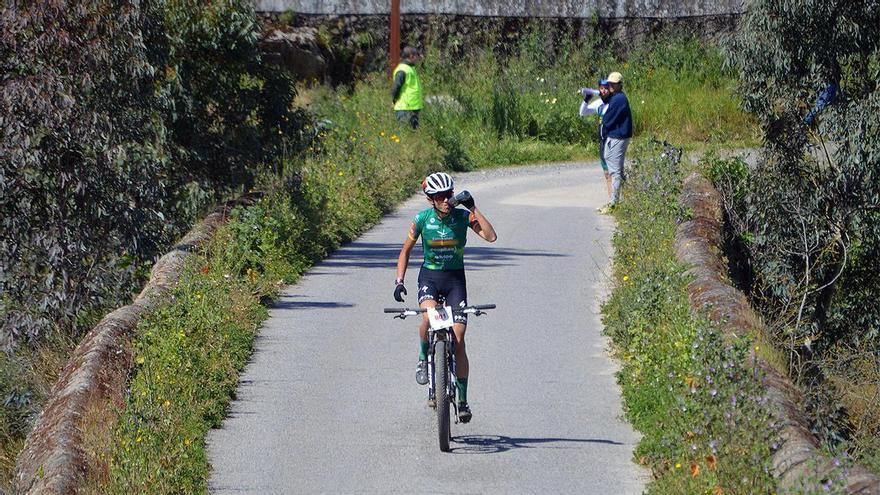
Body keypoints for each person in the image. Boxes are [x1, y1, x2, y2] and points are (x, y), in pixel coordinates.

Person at [393, 172, 497, 423]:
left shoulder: (462, 217)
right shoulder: (421, 219)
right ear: (430, 199)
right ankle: (423, 358)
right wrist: (399, 281)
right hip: (430, 278)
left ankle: (462, 400)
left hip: (454, 281)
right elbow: (405, 251)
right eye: (439, 196)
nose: (445, 200)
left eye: (448, 195)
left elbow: (491, 236)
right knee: (428, 318)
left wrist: (473, 207)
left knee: (459, 340)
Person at [599, 71, 633, 213]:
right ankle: (627, 198)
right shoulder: (615, 97)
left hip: (618, 136)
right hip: (615, 136)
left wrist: (604, 124)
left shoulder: (619, 99)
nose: (611, 86)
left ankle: (614, 203)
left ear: (620, 84)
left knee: (615, 171)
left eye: (614, 84)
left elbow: (608, 119)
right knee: (611, 163)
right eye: (610, 83)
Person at [580, 79, 613, 200]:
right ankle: (611, 201)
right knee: (606, 173)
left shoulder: (613, 103)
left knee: (613, 173)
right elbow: (582, 112)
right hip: (602, 141)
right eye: (601, 88)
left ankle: (616, 200)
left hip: (612, 141)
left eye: (606, 88)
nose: (603, 91)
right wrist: (587, 99)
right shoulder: (599, 103)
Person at [391, 46, 424, 129]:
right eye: (417, 56)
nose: (418, 58)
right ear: (411, 56)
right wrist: (394, 99)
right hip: (405, 108)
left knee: (413, 132)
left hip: (413, 107)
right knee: (405, 130)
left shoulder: (411, 68)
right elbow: (396, 87)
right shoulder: (402, 70)